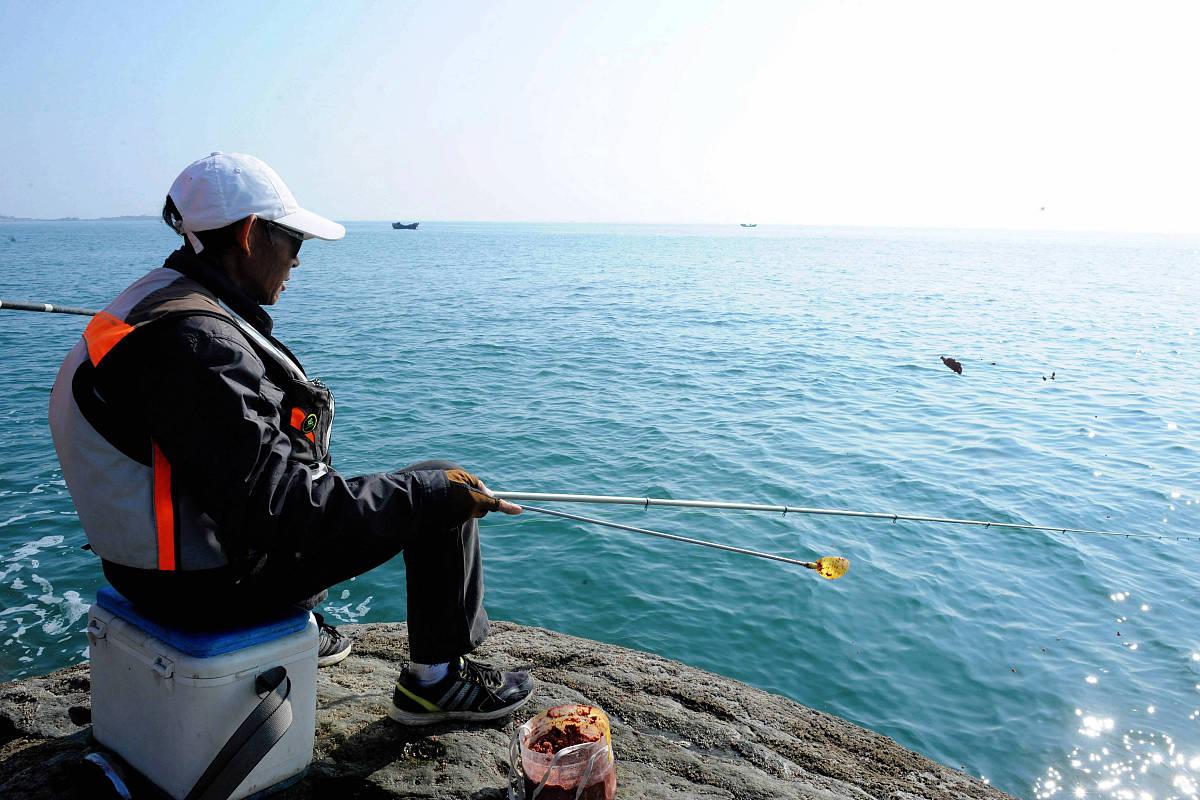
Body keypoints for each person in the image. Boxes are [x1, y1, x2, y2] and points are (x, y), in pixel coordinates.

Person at [48, 152, 534, 724]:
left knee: (402, 489)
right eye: (293, 240)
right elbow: (281, 509)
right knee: (438, 484)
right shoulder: (198, 346)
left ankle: (288, 621)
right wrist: (432, 496)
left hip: (142, 571)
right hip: (200, 590)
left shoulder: (152, 300)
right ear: (250, 234)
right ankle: (437, 683)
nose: (298, 259)